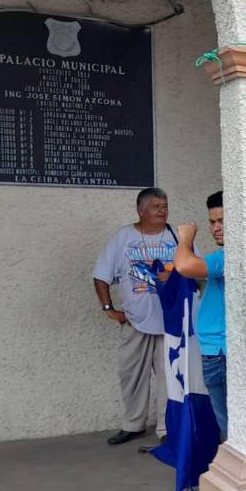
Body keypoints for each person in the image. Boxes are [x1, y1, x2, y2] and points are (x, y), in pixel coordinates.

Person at [93, 187, 178, 445]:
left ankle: (167, 428)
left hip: (170, 323)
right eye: (156, 206)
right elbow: (101, 275)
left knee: (169, 378)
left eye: (165, 205)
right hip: (134, 321)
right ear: (141, 210)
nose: (162, 210)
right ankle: (133, 424)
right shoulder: (123, 236)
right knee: (131, 375)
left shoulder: (176, 236)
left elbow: (194, 270)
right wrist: (110, 310)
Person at [173, 191, 228, 440]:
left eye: (222, 221)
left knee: (230, 429)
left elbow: (184, 265)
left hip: (221, 355)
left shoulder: (230, 256)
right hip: (215, 352)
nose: (216, 228)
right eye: (212, 222)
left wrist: (185, 239)